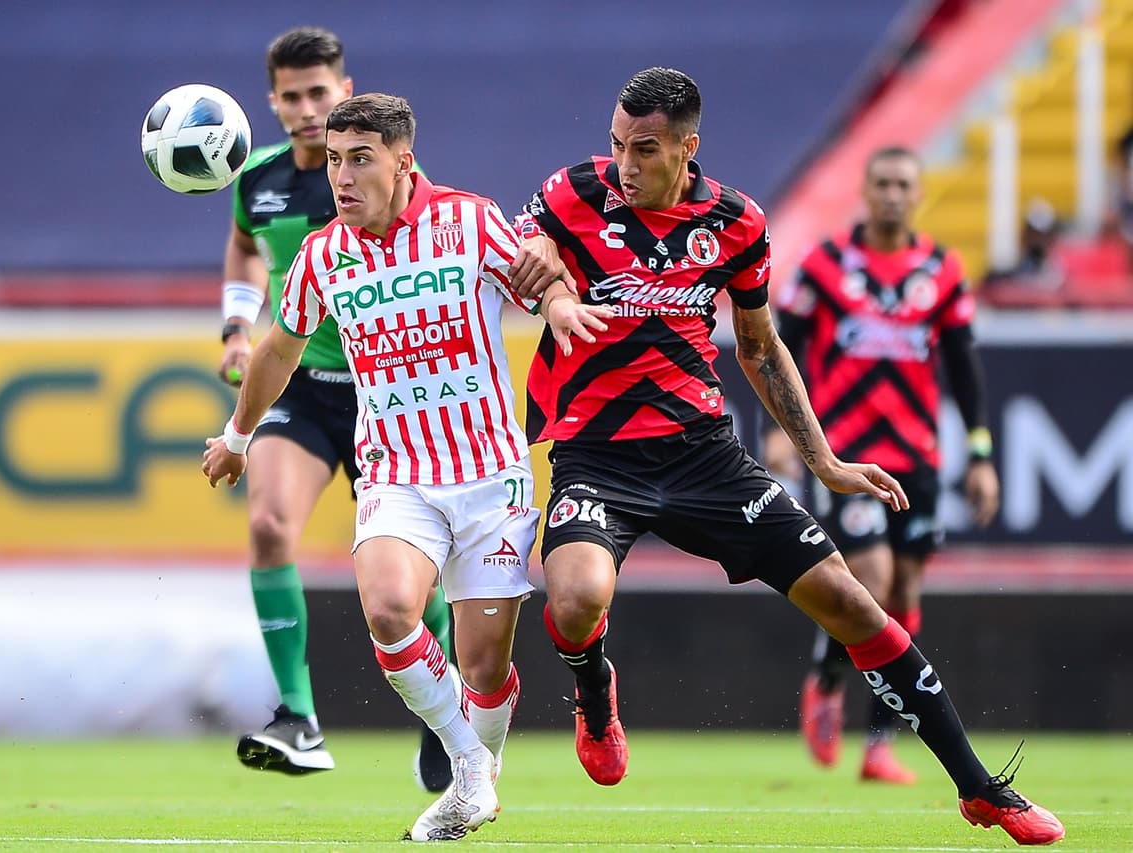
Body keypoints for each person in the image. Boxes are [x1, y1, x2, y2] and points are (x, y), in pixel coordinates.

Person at [507, 67, 1063, 846]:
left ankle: (980, 788)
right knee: (573, 600)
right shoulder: (574, 192)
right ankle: (594, 691)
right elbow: (523, 248)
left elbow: (761, 348)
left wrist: (825, 460)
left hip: (705, 457)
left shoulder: (736, 221)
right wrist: (552, 289)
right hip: (598, 457)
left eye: (644, 149)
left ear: (687, 147)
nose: (625, 166)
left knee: (852, 601)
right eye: (615, 145)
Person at [203, 93, 611, 841]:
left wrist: (555, 302)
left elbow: (542, 273)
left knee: (482, 669)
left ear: (403, 161)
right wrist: (237, 435)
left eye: (360, 159)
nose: (342, 178)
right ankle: (468, 771)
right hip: (397, 473)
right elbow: (280, 349)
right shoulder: (323, 254)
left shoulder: (470, 219)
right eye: (332, 161)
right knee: (390, 610)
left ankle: (473, 771)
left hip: (492, 475)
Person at [216, 26, 455, 791]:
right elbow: (247, 246)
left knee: (414, 585)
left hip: (389, 398)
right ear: (272, 103)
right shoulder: (256, 177)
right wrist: (234, 326)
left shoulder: (377, 175)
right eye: (291, 96)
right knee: (266, 523)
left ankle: (439, 716)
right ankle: (299, 716)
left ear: (345, 91)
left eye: (320, 92)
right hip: (308, 394)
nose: (307, 108)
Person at [766, 146, 1002, 786]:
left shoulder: (941, 270)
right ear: (865, 192)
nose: (893, 194)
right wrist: (783, 432)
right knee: (869, 579)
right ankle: (825, 674)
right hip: (847, 455)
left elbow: (963, 367)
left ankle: (877, 745)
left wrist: (981, 454)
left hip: (919, 458)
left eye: (904, 183)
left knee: (904, 597)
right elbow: (772, 346)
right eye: (882, 184)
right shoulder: (826, 265)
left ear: (918, 192)